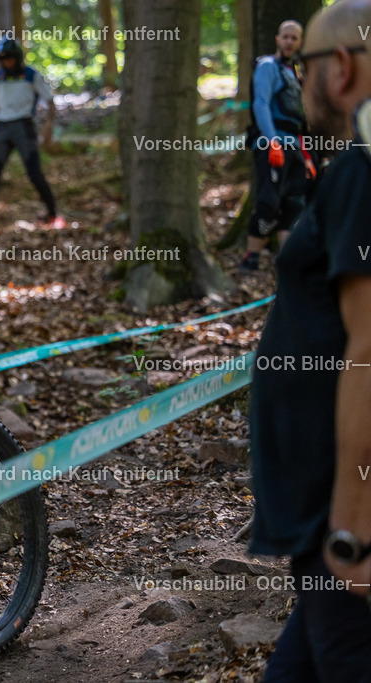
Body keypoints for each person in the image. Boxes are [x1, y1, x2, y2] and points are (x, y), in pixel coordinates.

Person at [248, 1, 371, 678]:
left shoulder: (362, 166)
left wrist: (353, 524)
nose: (300, 81)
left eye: (309, 66)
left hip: (341, 517)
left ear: (341, 68)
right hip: (325, 518)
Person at [0, 38, 63, 237]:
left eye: (9, 58)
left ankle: (53, 215)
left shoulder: (31, 75)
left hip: (24, 127)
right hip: (2, 128)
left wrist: (48, 127)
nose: (7, 62)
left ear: (17, 58)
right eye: (3, 59)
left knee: (34, 173)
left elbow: (50, 102)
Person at [240, 20, 316, 272]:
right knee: (268, 204)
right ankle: (250, 261)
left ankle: (286, 263)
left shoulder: (295, 73)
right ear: (277, 39)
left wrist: (306, 155)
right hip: (272, 144)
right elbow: (260, 104)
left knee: (295, 203)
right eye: (286, 37)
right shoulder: (267, 67)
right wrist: (272, 140)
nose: (289, 42)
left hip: (295, 146)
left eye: (294, 38)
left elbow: (301, 120)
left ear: (300, 42)